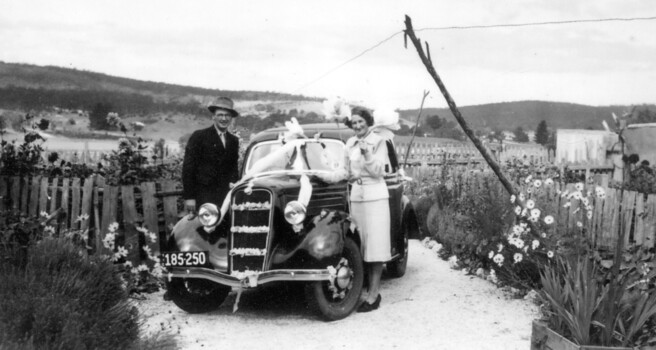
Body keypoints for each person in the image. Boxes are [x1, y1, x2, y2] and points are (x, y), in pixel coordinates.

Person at [319, 106, 391, 312]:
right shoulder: (349, 143)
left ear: (368, 122)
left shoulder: (379, 141)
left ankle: (374, 295)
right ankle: (363, 288)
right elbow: (344, 170)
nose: (358, 125)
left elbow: (378, 171)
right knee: (361, 245)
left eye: (361, 121)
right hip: (357, 197)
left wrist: (367, 153)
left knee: (375, 246)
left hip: (376, 196)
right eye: (354, 122)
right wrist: (324, 176)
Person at [182, 96, 240, 213]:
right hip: (204, 197)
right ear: (213, 116)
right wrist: (190, 197)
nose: (224, 119)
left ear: (231, 118)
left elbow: (233, 168)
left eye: (227, 115)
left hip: (226, 197)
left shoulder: (233, 140)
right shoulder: (199, 137)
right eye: (220, 115)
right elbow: (188, 168)